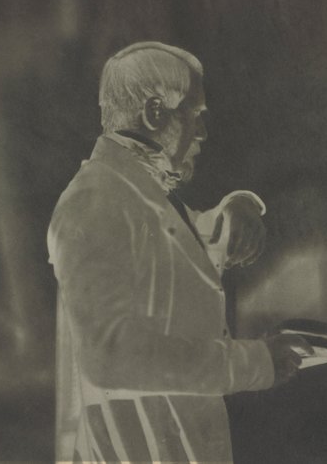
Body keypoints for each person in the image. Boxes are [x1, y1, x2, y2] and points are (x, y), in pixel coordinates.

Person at [47, 42, 312, 463]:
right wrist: (255, 363)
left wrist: (235, 208)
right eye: (196, 114)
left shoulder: (136, 192)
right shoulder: (95, 201)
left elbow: (176, 248)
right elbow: (110, 356)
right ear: (155, 113)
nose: (202, 132)